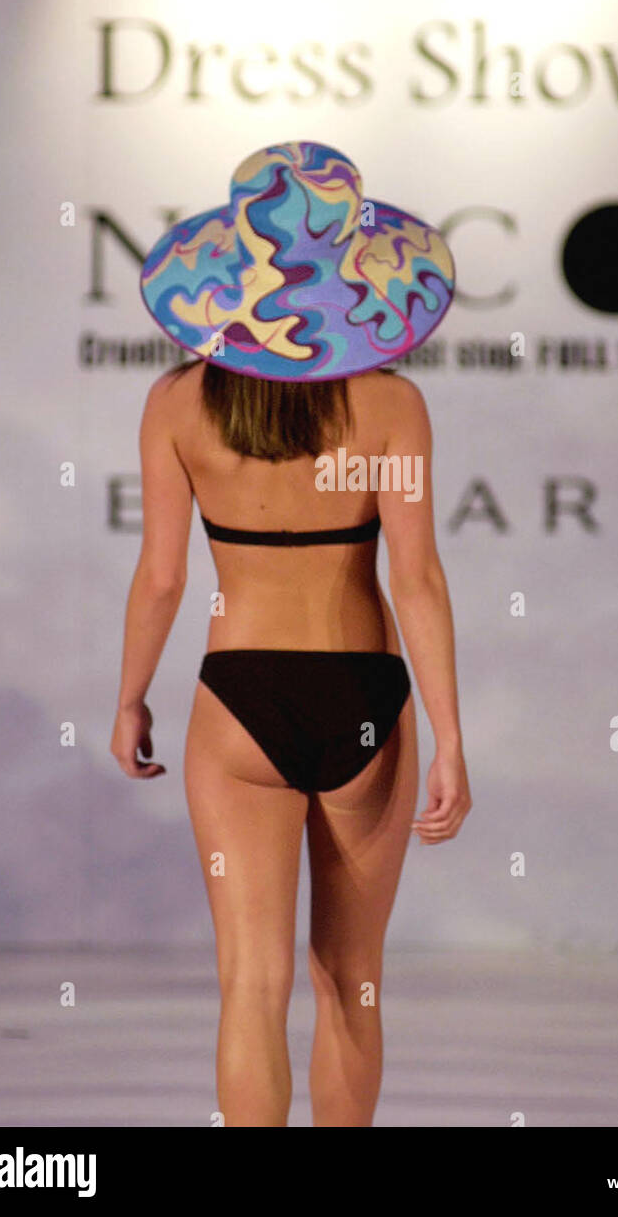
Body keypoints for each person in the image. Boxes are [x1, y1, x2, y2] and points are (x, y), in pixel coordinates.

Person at [110, 140, 471, 1127]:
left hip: (239, 704)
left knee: (250, 985)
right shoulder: (394, 406)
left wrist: (131, 695)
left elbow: (165, 575)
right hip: (365, 702)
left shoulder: (176, 405)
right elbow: (418, 577)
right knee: (351, 982)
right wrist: (448, 735)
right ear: (354, 263)